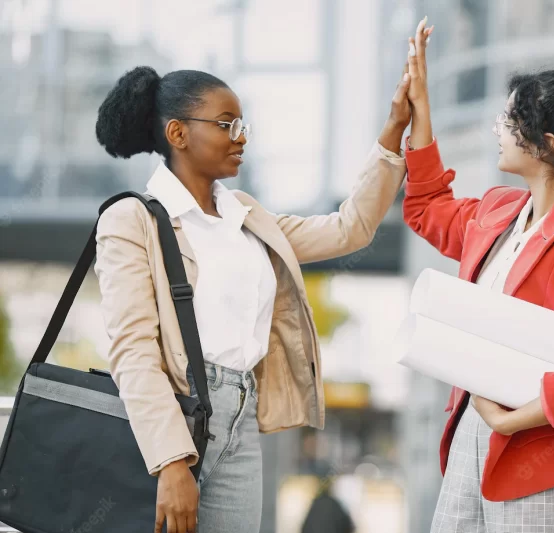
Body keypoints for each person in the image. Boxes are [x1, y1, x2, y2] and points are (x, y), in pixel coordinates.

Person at [93, 64, 412, 533]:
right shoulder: (131, 220)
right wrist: (170, 462)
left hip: (242, 420)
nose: (241, 137)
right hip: (173, 420)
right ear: (177, 133)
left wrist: (393, 131)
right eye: (227, 124)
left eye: (243, 125)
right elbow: (133, 351)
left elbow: (350, 228)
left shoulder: (247, 218)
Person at [402, 18, 554, 533]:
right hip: (470, 438)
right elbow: (426, 207)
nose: (499, 131)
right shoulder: (498, 211)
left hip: (536, 461)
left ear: (546, 144)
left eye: (510, 124)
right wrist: (421, 109)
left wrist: (512, 420)